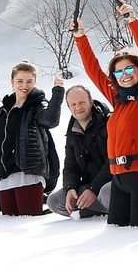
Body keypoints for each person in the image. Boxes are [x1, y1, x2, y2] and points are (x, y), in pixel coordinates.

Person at [73, 1, 138, 227]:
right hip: (119, 179)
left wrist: (134, 25)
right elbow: (93, 71)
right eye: (118, 72)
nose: (124, 75)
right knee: (114, 234)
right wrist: (80, 38)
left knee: (137, 236)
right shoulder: (118, 101)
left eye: (129, 69)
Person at [0, 62, 63, 216]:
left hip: (30, 176)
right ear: (12, 82)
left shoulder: (38, 105)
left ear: (35, 83)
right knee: (9, 221)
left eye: (29, 81)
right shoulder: (3, 110)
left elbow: (50, 120)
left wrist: (58, 93)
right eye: (20, 81)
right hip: (6, 177)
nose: (24, 86)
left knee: (28, 221)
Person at [57, 84, 112, 218]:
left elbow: (113, 160)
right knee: (55, 201)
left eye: (82, 102)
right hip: (89, 186)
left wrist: (94, 189)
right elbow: (70, 165)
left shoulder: (109, 122)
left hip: (112, 182)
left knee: (105, 193)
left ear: (91, 102)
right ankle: (99, 208)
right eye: (73, 104)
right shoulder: (72, 131)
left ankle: (106, 207)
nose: (78, 107)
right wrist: (70, 188)